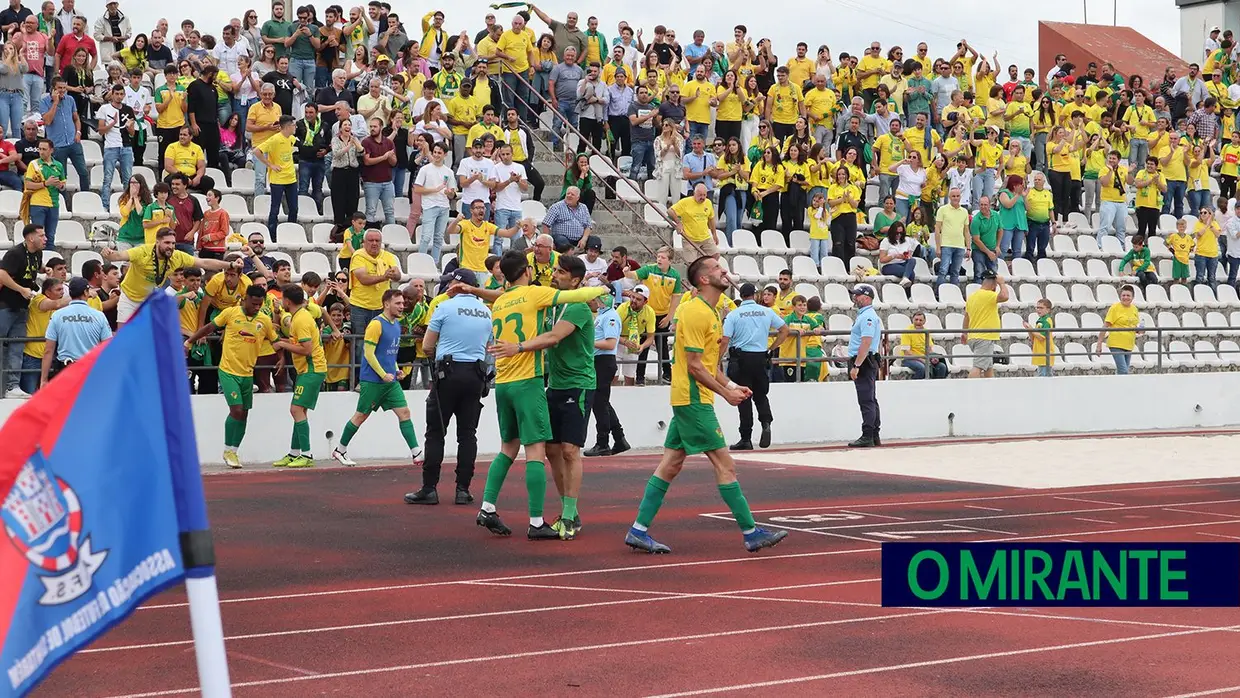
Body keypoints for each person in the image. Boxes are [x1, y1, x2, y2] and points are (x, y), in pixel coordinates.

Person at [624, 256, 788, 554]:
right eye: (716, 268)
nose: (723, 270)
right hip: (694, 400)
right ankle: (751, 533)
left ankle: (638, 530)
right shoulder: (696, 312)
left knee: (670, 465)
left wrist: (731, 386)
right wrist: (725, 394)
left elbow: (708, 366)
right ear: (703, 279)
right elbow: (695, 366)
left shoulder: (709, 312)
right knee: (725, 464)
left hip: (690, 399)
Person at [471, 250, 607, 540]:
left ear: (575, 280)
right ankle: (544, 519)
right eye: (553, 270)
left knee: (564, 450)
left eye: (560, 271)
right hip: (540, 383)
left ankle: (565, 514)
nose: (553, 274)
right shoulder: (540, 298)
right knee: (545, 450)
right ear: (527, 272)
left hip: (571, 384)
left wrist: (472, 290)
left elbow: (553, 337)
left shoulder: (571, 307)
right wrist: (602, 288)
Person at [405, 268, 493, 505]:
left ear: (458, 285)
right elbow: (487, 346)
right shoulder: (485, 311)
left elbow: (427, 346)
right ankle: (463, 489)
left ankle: (429, 488)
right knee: (468, 434)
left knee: (436, 432)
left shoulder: (445, 307)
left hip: (448, 373)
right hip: (476, 374)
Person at [184, 285, 277, 468]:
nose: (257, 307)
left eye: (260, 304)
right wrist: (189, 341)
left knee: (244, 413)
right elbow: (209, 327)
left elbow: (275, 341)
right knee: (236, 410)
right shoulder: (230, 313)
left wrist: (281, 358)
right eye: (254, 303)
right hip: (228, 371)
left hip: (247, 373)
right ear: (245, 299)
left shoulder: (264, 320)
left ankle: (234, 451)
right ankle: (227, 450)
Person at [329, 289, 422, 466]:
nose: (402, 306)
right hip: (373, 381)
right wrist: (383, 374)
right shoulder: (376, 324)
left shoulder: (396, 325)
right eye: (398, 303)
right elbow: (369, 353)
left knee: (404, 412)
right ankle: (340, 450)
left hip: (390, 381)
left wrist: (396, 370)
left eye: (402, 303)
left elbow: (390, 354)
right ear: (386, 304)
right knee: (361, 416)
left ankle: (416, 452)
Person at [101, 227, 240, 323]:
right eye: (167, 242)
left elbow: (204, 262)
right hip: (129, 298)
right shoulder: (142, 251)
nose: (171, 246)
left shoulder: (177, 256)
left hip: (149, 300)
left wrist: (230, 265)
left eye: (173, 243)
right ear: (157, 242)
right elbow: (119, 256)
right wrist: (108, 254)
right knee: (124, 338)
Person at [720, 282, 788, 450]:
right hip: (760, 357)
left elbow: (725, 340)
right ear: (755, 295)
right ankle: (766, 422)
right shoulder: (766, 312)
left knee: (743, 398)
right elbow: (784, 330)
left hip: (741, 358)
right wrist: (771, 348)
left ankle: (746, 438)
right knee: (761, 395)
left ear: (741, 296)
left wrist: (717, 359)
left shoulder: (734, 315)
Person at [270, 285, 328, 468]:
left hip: (312, 369)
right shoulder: (300, 316)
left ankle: (306, 455)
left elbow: (306, 349)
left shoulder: (300, 320)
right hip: (308, 370)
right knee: (300, 411)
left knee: (296, 410)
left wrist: (282, 345)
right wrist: (282, 342)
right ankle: (294, 453)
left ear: (287, 301)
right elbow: (298, 342)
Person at [40, 277, 111, 387]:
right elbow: (108, 348)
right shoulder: (99, 316)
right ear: (86, 292)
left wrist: (44, 380)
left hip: (65, 371)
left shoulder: (57, 315)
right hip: (90, 371)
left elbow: (48, 350)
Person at [0, 223, 45, 398]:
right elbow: (2, 274)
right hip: (6, 305)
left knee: (17, 346)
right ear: (30, 238)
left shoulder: (38, 254)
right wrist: (21, 289)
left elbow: (32, 269)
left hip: (22, 307)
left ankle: (12, 386)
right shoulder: (15, 253)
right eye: (41, 235)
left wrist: (45, 269)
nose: (45, 239)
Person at [584, 290, 625, 457]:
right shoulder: (603, 316)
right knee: (602, 402)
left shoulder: (610, 317)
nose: (592, 302)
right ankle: (619, 437)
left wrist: (587, 342)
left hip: (603, 361)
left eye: (595, 299)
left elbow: (610, 344)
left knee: (599, 404)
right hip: (599, 361)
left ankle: (603, 442)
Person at [846, 283, 883, 448]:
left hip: (864, 361)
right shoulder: (867, 315)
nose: (855, 298)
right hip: (867, 360)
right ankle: (874, 434)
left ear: (867, 298)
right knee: (870, 399)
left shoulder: (867, 317)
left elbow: (866, 342)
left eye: (858, 295)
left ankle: (868, 434)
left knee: (866, 400)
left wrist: (857, 365)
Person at [252, 115, 299, 242]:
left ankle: (291, 233)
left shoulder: (291, 138)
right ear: (287, 126)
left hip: (291, 178)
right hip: (278, 179)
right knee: (275, 209)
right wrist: (270, 165)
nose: (295, 127)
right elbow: (257, 151)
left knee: (294, 208)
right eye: (293, 125)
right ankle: (272, 235)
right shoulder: (275, 139)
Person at [962, 270, 1008, 378]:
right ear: (994, 283)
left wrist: (964, 333)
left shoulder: (972, 296)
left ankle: (990, 387)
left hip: (974, 336)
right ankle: (969, 387)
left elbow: (966, 317)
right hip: (984, 337)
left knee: (988, 366)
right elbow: (1005, 296)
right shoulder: (989, 295)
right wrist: (1002, 283)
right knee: (978, 367)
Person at [1096, 284, 1142, 375]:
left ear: (1132, 297)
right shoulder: (1115, 308)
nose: (1125, 297)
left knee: (1123, 371)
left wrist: (1140, 330)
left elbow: (1134, 326)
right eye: (1123, 295)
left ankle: (1117, 383)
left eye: (1128, 295)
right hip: (1116, 344)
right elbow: (1105, 326)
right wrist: (1099, 344)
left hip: (1129, 345)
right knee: (1123, 371)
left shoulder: (1134, 309)